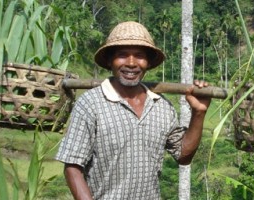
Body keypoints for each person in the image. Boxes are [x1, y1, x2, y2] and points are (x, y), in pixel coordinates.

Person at [55, 21, 211, 199]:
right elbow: (73, 167)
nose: (131, 63)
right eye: (122, 55)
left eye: (139, 56)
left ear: (148, 62)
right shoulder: (90, 104)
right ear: (109, 60)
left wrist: (199, 112)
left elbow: (183, 155)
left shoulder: (161, 106)